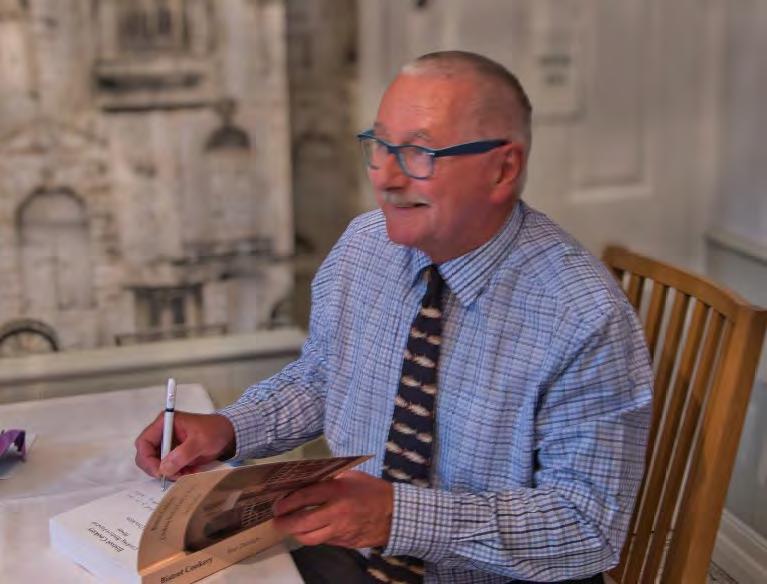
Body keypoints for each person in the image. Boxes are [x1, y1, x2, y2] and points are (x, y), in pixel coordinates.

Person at [135, 50, 652, 584]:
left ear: (503, 169)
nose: (385, 177)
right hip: (355, 556)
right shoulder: (365, 245)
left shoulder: (583, 316)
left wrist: (396, 517)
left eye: (419, 153)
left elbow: (586, 527)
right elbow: (324, 378)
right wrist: (229, 429)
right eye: (380, 146)